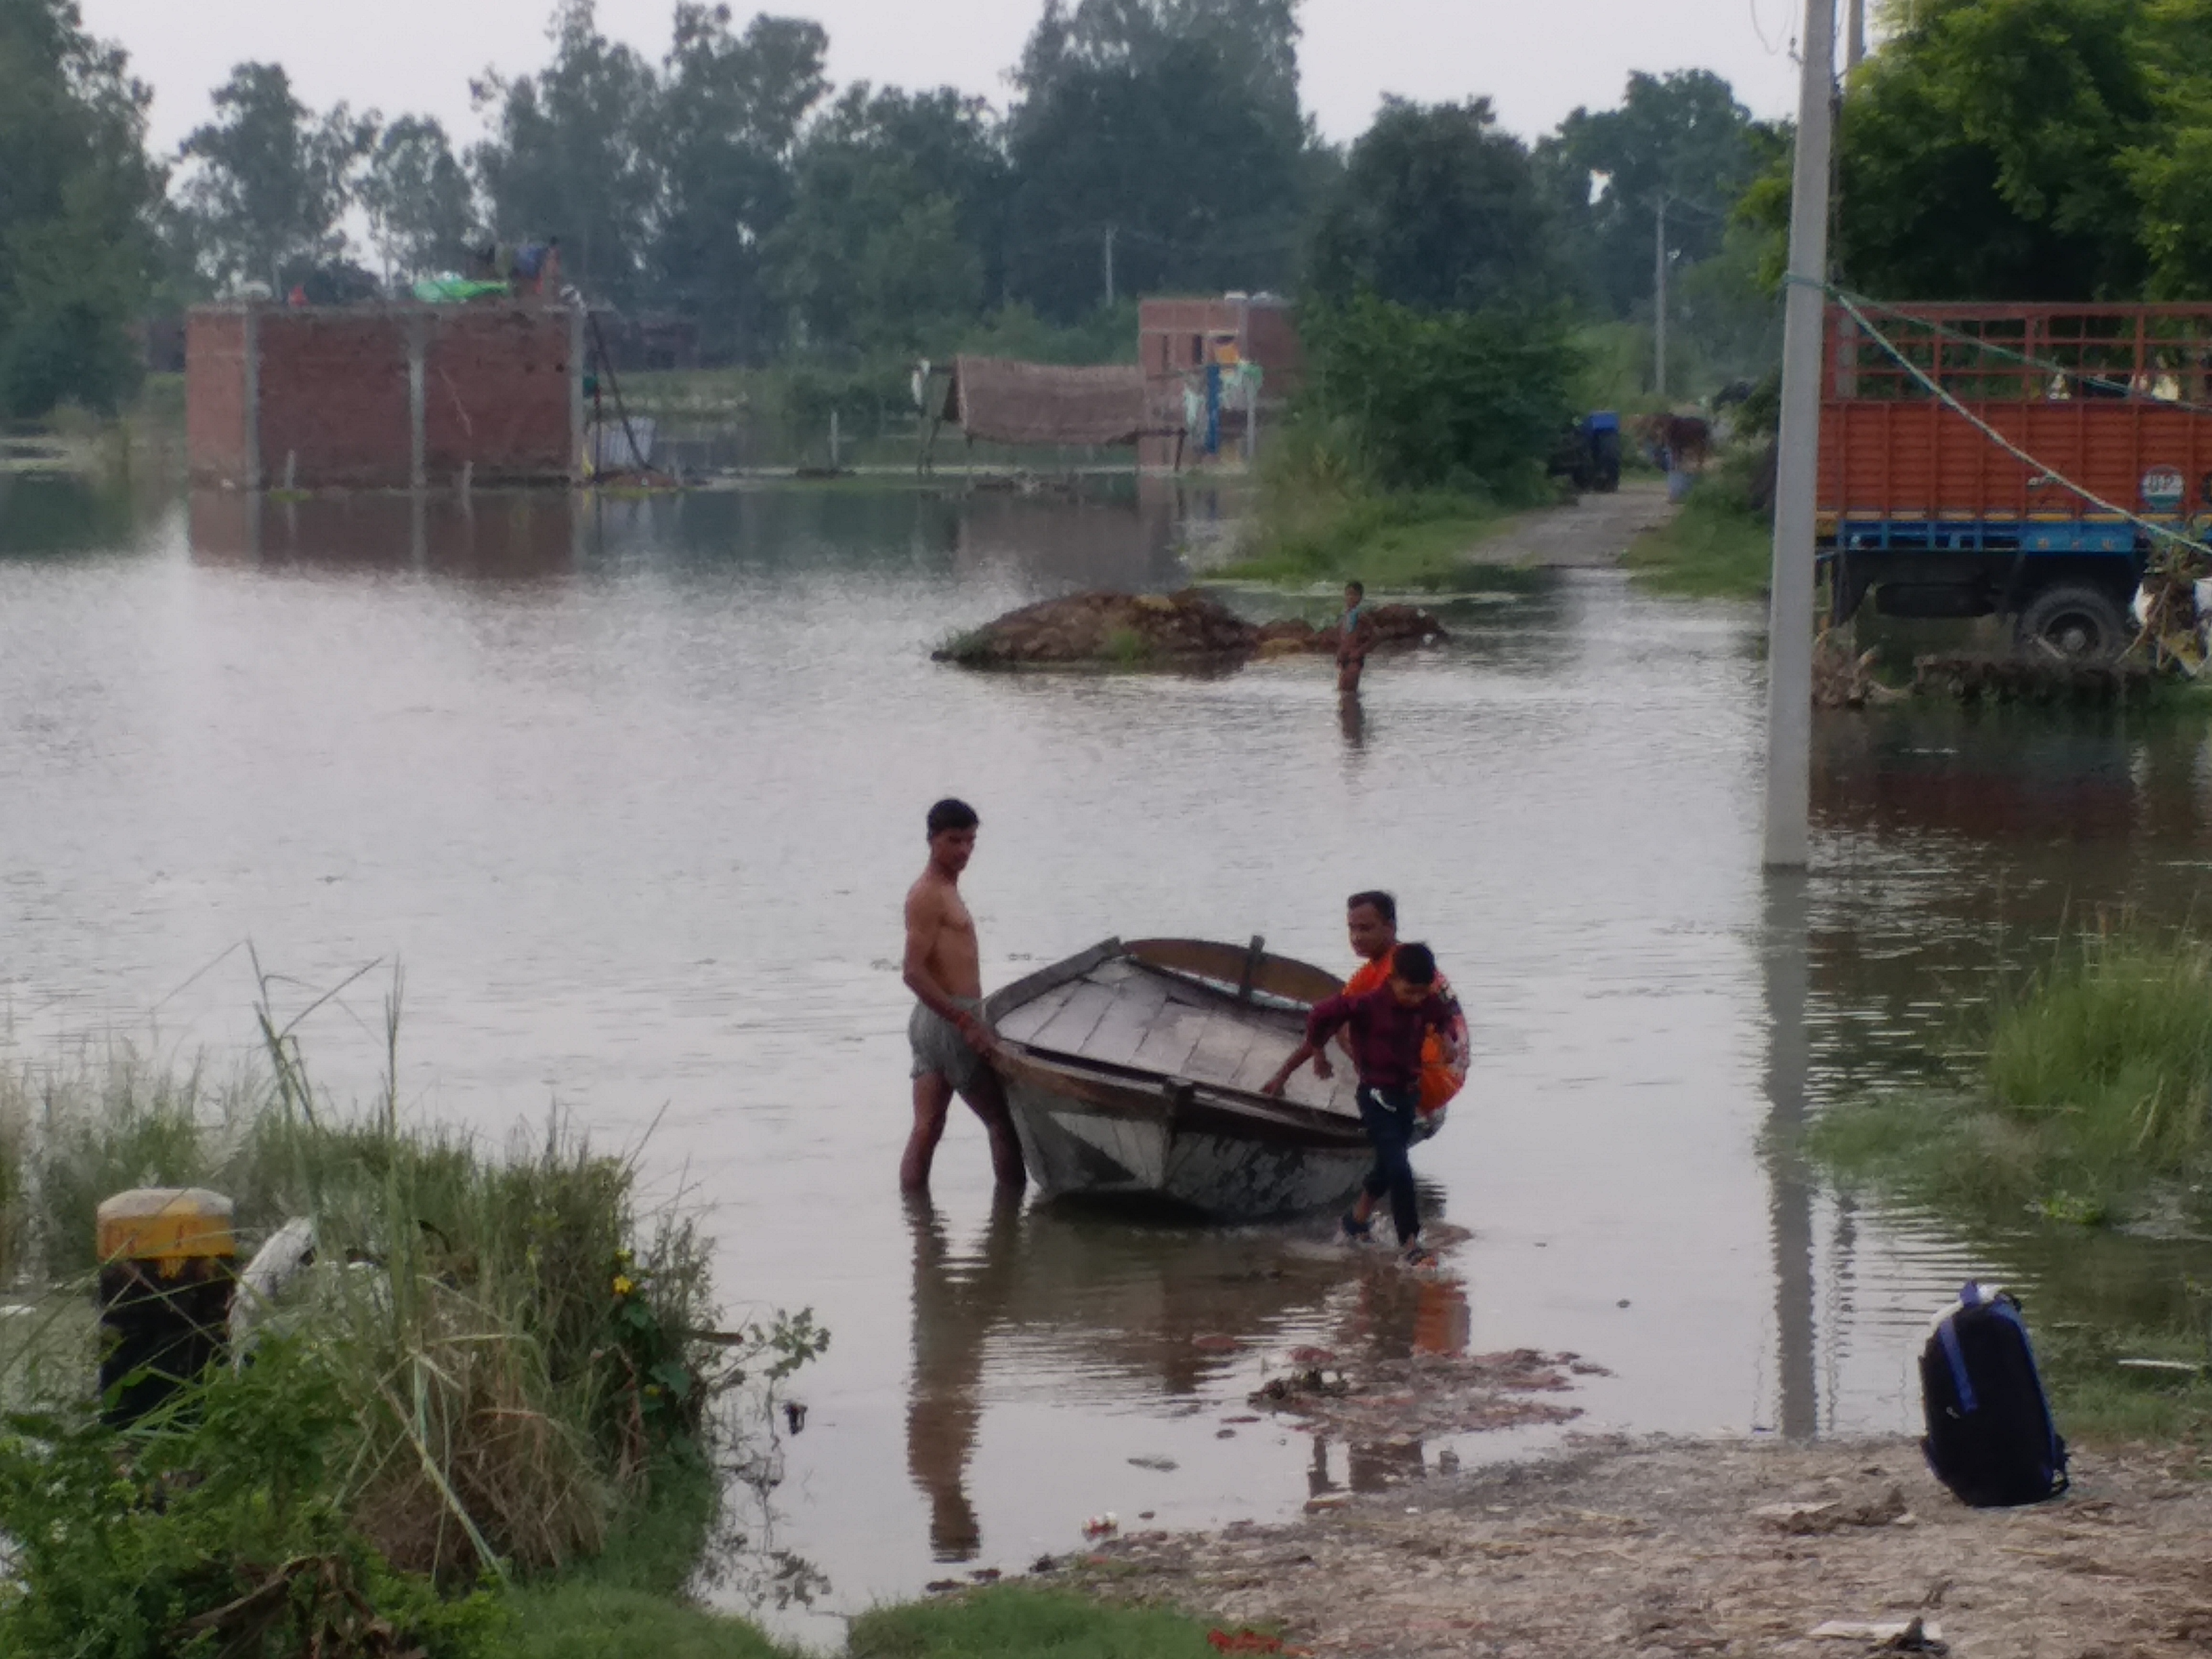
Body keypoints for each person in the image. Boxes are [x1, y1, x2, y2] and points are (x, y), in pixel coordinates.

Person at [1262, 941, 1461, 1267]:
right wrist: (1318, 1052)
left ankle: (1355, 1223)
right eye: (1408, 992)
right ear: (1393, 979)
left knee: (1386, 1167)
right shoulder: (1366, 1005)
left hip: (1408, 1097)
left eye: (1420, 994)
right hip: (1377, 1098)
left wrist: (1448, 1040)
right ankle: (1411, 1245)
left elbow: (1444, 1018)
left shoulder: (1426, 1003)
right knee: (1399, 1168)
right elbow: (1320, 1014)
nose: (1414, 1001)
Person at [902, 798, 1026, 1193]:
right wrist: (965, 1021)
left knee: (927, 1128)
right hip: (952, 1020)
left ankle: (918, 1230)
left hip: (931, 1021)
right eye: (954, 841)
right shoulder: (928, 895)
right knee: (1001, 1123)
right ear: (932, 840)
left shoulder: (943, 891)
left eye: (971, 841)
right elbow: (912, 972)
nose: (964, 851)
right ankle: (1012, 1225)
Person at [1335, 580, 1372, 694]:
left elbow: (1376, 636)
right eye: (1348, 594)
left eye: (1354, 595)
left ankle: (1355, 711)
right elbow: (1344, 638)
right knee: (1342, 691)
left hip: (1355, 660)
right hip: (1345, 659)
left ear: (1360, 598)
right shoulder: (1345, 616)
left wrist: (1360, 652)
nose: (1351, 598)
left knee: (1350, 691)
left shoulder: (1361, 616)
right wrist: (1340, 654)